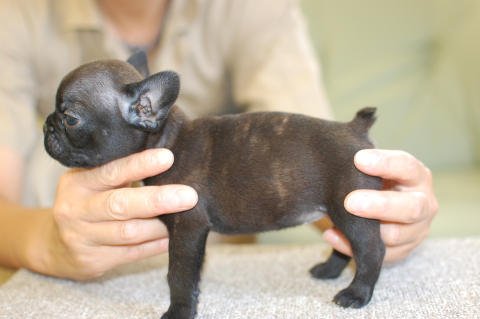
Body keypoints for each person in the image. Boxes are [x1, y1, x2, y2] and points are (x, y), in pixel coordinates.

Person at [0, 0, 438, 280]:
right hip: (63, 227)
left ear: (147, 107)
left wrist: (378, 207)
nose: (60, 125)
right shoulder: (17, 15)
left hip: (227, 243)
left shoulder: (255, 9)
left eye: (70, 118)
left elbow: (300, 151)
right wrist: (46, 241)